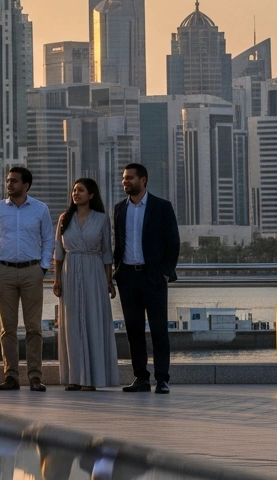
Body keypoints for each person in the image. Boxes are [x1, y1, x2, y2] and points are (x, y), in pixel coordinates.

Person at [113, 163, 180, 394]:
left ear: (143, 180)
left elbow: (173, 243)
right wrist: (116, 272)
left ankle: (162, 379)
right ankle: (141, 378)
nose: (125, 182)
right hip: (128, 277)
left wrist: (165, 272)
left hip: (153, 278)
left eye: (130, 178)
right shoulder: (120, 208)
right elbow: (118, 244)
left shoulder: (161, 207)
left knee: (159, 330)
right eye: (124, 178)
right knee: (134, 330)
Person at [0, 166, 53, 392]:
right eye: (8, 180)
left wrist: (42, 268)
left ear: (26, 185)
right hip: (4, 271)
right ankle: (10, 376)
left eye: (14, 181)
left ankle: (35, 376)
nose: (9, 184)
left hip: (31, 271)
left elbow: (48, 240)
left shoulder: (40, 209)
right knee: (8, 328)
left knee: (34, 327)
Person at [52, 178, 119, 391]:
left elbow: (107, 252)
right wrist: (57, 279)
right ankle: (74, 377)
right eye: (74, 190)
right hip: (70, 272)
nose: (76, 193)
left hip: (94, 271)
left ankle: (93, 378)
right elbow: (58, 253)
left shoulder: (101, 219)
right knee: (71, 325)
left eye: (81, 190)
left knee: (93, 321)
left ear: (91, 195)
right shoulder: (64, 218)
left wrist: (109, 280)